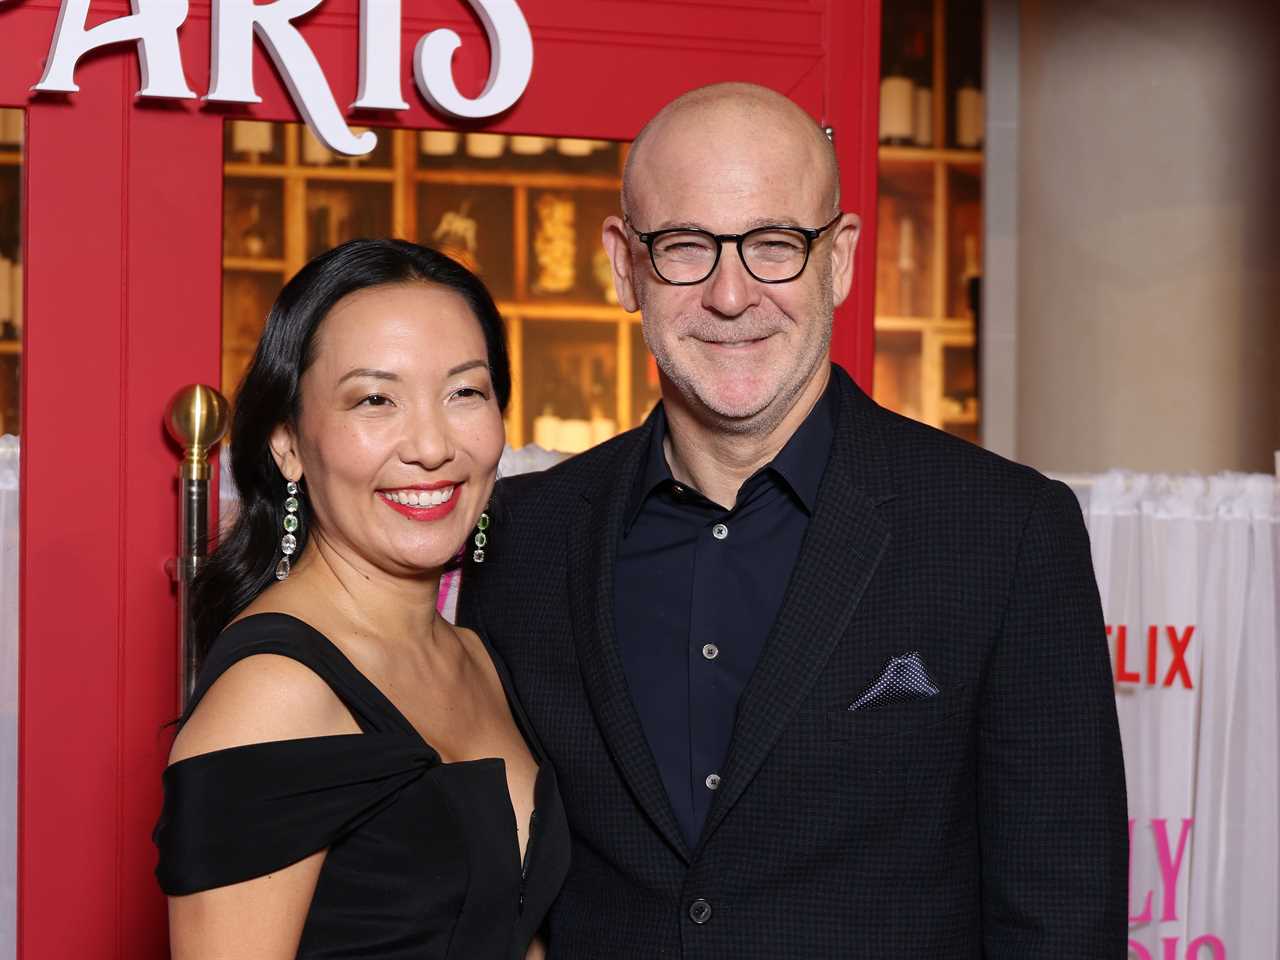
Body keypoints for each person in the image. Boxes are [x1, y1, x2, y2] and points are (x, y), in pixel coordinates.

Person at [458, 83, 1128, 957]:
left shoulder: (1005, 533)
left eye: (775, 245)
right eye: (686, 247)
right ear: (624, 264)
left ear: (840, 258)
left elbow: (1062, 924)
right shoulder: (521, 538)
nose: (732, 296)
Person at [153, 239, 569, 960]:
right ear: (287, 442)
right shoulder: (273, 693)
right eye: (375, 399)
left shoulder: (477, 654)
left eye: (464, 392)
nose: (433, 446)